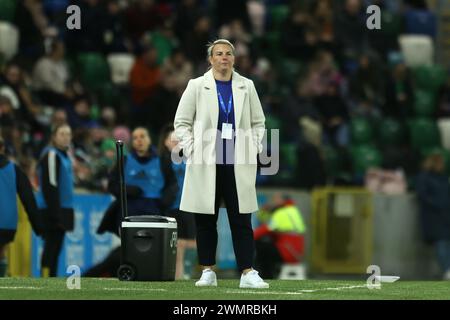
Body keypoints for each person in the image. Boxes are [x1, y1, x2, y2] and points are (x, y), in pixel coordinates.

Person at [174, 39, 268, 288]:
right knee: (206, 218)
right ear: (211, 59)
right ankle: (207, 271)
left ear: (234, 59)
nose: (224, 57)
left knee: (241, 219)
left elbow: (259, 123)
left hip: (237, 159)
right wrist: (192, 149)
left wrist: (254, 147)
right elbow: (181, 122)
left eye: (228, 53)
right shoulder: (196, 86)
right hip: (207, 160)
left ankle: (247, 272)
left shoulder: (246, 86)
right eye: (219, 54)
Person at [84, 127, 177, 277]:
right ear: (132, 142)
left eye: (142, 136)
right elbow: (112, 185)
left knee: (151, 249)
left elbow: (173, 185)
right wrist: (127, 190)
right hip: (129, 213)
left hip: (154, 214)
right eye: (135, 138)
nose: (139, 140)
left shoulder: (162, 161)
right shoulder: (125, 160)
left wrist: (165, 201)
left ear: (149, 140)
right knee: (128, 250)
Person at [0, 136, 43, 277]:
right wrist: (38, 226)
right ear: (3, 149)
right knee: (1, 251)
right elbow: (28, 199)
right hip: (7, 224)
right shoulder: (14, 169)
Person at [159, 123, 197, 280]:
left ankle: (185, 271)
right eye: (171, 139)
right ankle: (180, 274)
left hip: (189, 203)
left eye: (178, 140)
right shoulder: (162, 160)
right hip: (173, 205)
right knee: (178, 242)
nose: (175, 142)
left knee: (191, 240)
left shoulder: (187, 158)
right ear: (165, 142)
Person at [36, 124, 74, 277]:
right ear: (54, 137)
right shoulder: (51, 155)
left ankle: (51, 278)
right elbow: (50, 186)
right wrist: (55, 214)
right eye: (62, 133)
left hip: (62, 209)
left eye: (68, 134)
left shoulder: (65, 156)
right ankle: (46, 280)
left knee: (56, 248)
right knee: (51, 247)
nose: (66, 137)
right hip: (53, 209)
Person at [253, 193, 306, 279]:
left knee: (262, 248)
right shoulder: (290, 209)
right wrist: (264, 210)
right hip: (294, 250)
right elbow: (263, 219)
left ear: (282, 201)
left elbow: (266, 228)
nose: (273, 202)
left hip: (288, 250)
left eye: (275, 199)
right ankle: (269, 274)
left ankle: (266, 277)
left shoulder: (282, 212)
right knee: (266, 246)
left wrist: (249, 237)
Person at [416, 153, 450, 280]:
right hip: (433, 217)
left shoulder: (443, 178)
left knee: (446, 243)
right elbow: (423, 196)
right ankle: (447, 270)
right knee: (441, 244)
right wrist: (438, 205)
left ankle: (447, 269)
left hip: (445, 215)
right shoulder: (424, 177)